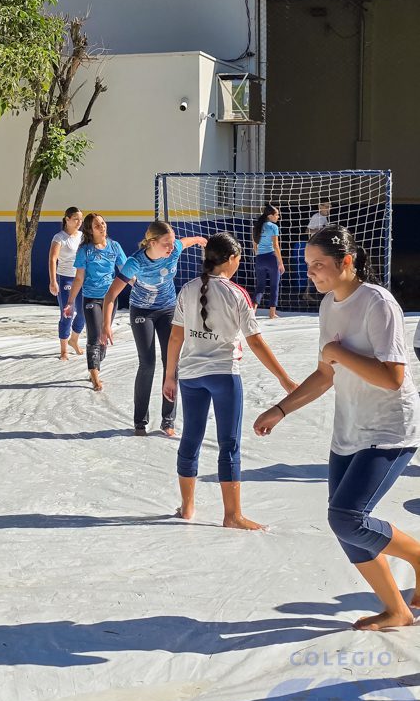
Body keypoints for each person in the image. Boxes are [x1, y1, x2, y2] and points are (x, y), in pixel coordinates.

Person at [254, 225, 420, 630]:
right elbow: (325, 374)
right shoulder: (329, 305)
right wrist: (281, 409)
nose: (310, 272)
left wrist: (338, 352)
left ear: (346, 261)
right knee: (345, 524)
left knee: (347, 517)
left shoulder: (378, 302)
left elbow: (393, 378)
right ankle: (397, 610)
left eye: (318, 264)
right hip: (349, 430)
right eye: (308, 264)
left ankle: (418, 556)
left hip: (390, 429)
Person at [162, 232, 297, 529]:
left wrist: (170, 376)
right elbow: (255, 341)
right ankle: (232, 515)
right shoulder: (236, 294)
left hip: (190, 376)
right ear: (232, 259)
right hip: (224, 375)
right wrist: (284, 379)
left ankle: (187, 507)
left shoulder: (187, 289)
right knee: (229, 443)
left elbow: (175, 337)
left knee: (191, 438)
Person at [101, 221, 207, 437]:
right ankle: (140, 421)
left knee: (171, 363)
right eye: (166, 243)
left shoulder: (174, 250)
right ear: (152, 242)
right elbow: (111, 295)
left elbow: (184, 242)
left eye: (172, 242)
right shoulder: (135, 262)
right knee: (147, 364)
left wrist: (199, 240)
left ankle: (168, 420)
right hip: (142, 311)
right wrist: (106, 325)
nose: (171, 247)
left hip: (168, 310)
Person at [64, 213, 127, 391]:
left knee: (104, 336)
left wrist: (139, 285)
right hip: (91, 297)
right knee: (94, 336)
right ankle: (94, 376)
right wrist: (70, 301)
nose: (102, 227)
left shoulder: (115, 246)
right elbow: (79, 278)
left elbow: (126, 271)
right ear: (90, 231)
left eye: (103, 223)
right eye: (97, 225)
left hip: (110, 299)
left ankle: (95, 365)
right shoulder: (85, 250)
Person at [48, 207, 85, 360]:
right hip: (66, 279)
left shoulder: (83, 236)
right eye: (76, 219)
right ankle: (64, 350)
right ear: (67, 219)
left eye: (81, 219)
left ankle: (74, 340)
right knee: (67, 314)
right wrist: (53, 281)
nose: (79, 222)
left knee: (83, 313)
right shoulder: (59, 237)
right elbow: (52, 259)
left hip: (82, 279)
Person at [253, 203, 285, 319]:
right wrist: (281, 262)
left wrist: (259, 255)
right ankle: (272, 313)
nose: (278, 217)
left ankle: (253, 311)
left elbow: (255, 245)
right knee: (274, 286)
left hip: (260, 258)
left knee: (260, 286)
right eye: (277, 215)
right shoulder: (273, 227)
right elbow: (276, 246)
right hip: (271, 258)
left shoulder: (257, 226)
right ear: (270, 216)